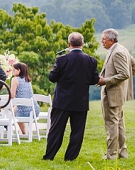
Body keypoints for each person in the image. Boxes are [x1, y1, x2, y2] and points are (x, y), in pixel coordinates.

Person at [43, 33, 100, 161]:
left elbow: (52, 77)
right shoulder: (91, 61)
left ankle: (49, 155)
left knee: (56, 130)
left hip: (62, 101)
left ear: (69, 44)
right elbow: (94, 79)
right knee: (77, 131)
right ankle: (70, 157)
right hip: (80, 101)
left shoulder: (62, 59)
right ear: (82, 44)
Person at [97, 28, 135, 159]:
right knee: (119, 122)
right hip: (118, 93)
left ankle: (111, 154)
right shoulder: (122, 49)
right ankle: (122, 152)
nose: (101, 42)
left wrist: (106, 81)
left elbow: (125, 73)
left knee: (111, 123)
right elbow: (134, 66)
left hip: (113, 94)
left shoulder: (117, 53)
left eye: (103, 39)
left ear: (111, 40)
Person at [9, 62, 38, 135]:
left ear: (19, 70)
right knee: (15, 109)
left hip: (23, 110)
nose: (13, 71)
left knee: (11, 112)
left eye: (14, 69)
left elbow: (12, 95)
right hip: (34, 109)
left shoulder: (15, 79)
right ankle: (24, 132)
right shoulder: (27, 80)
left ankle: (23, 133)